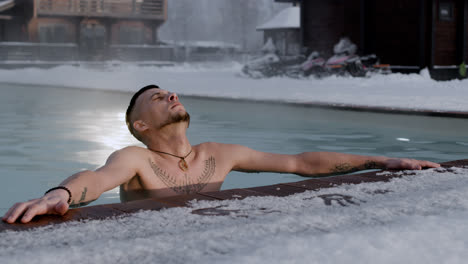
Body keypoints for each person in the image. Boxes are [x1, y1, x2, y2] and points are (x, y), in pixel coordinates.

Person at [2, 84, 440, 224]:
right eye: (156, 98)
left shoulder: (220, 153)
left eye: (169, 91)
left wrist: (381, 161)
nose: (170, 94)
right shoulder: (136, 159)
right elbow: (96, 178)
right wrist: (59, 193)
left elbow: (300, 164)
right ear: (141, 125)